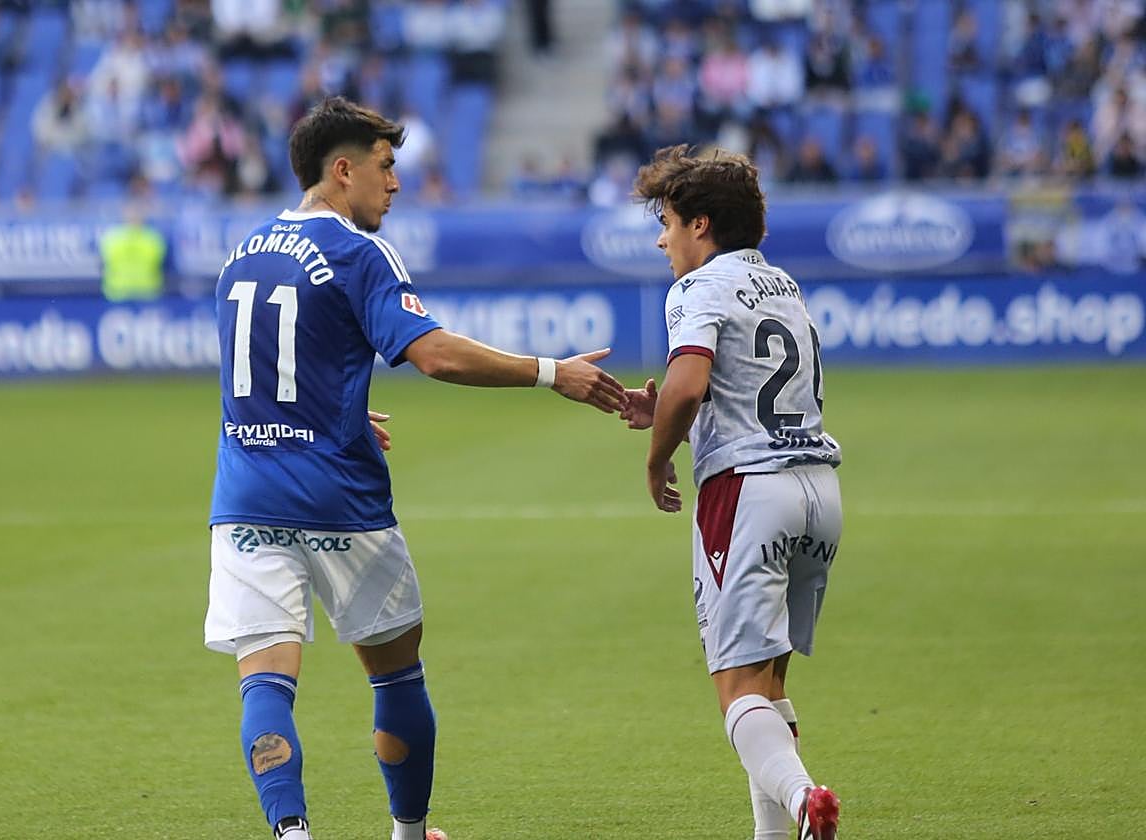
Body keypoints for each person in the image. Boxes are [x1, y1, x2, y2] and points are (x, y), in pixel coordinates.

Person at [205, 97, 626, 840]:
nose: (396, 183)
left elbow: (263, 374)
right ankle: (408, 831)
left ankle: (291, 832)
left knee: (265, 681)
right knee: (396, 671)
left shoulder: (243, 252)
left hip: (246, 495)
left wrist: (336, 406)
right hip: (339, 498)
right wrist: (549, 372)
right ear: (343, 170)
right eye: (386, 166)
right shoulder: (357, 251)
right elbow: (433, 355)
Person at [619, 146, 842, 840]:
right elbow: (741, 393)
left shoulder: (697, 288)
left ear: (701, 225)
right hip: (819, 492)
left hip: (747, 494)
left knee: (737, 691)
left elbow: (688, 383)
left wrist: (657, 458)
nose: (662, 240)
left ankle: (806, 801)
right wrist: (664, 414)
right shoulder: (782, 285)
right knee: (768, 687)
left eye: (668, 223)